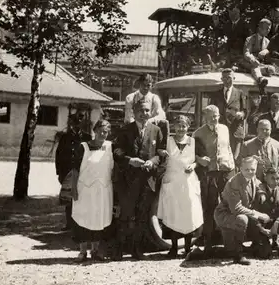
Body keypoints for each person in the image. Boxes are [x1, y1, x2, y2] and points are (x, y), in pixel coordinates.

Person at [112, 100, 164, 261]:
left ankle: (137, 250)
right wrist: (129, 160)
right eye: (140, 110)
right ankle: (119, 250)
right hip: (129, 179)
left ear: (151, 112)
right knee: (126, 214)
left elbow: (161, 154)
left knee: (142, 216)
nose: (144, 113)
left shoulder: (156, 130)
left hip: (148, 179)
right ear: (134, 112)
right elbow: (117, 152)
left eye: (147, 110)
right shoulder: (125, 130)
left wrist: (152, 161)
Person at [157, 115, 203, 259]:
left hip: (188, 181)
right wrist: (161, 153)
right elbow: (159, 155)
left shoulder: (193, 141)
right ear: (173, 127)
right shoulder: (168, 141)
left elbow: (198, 160)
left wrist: (193, 165)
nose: (180, 129)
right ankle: (174, 248)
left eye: (184, 126)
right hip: (172, 180)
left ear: (188, 127)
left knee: (188, 213)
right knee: (172, 213)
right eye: (178, 125)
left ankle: (188, 247)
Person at [193, 105, 236, 256]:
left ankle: (228, 242)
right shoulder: (198, 133)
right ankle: (208, 243)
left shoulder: (224, 129)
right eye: (212, 116)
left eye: (217, 115)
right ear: (205, 117)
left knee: (228, 206)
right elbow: (193, 154)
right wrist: (199, 159)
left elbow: (229, 148)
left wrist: (232, 167)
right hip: (209, 174)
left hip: (225, 172)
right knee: (210, 207)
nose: (215, 119)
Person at [70, 119, 114, 262]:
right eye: (100, 130)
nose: (103, 134)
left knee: (99, 219)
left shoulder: (110, 147)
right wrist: (74, 189)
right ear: (94, 131)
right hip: (85, 190)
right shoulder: (83, 147)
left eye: (106, 132)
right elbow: (75, 170)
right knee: (83, 219)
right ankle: (83, 252)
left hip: (103, 190)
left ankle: (96, 251)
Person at [214, 156, 270, 265]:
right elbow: (236, 208)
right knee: (242, 219)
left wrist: (261, 193)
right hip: (226, 214)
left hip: (242, 212)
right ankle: (238, 255)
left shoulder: (252, 177)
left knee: (265, 253)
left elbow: (259, 184)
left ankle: (254, 246)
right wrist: (257, 214)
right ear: (240, 169)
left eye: (253, 169)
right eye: (246, 169)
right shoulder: (234, 183)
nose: (250, 172)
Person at [55, 111, 92, 231]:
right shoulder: (65, 137)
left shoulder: (87, 137)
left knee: (82, 198)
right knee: (69, 199)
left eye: (79, 123)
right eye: (74, 123)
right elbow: (59, 155)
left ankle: (80, 223)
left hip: (82, 173)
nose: (76, 125)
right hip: (67, 173)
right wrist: (60, 173)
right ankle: (69, 223)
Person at [209, 68, 248, 157]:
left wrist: (241, 114)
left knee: (235, 159)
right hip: (219, 131)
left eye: (229, 77)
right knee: (221, 156)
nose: (227, 80)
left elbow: (245, 111)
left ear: (234, 78)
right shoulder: (216, 94)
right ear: (221, 79)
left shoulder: (240, 93)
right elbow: (211, 110)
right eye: (224, 78)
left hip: (235, 131)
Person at [243, 18, 275, 95]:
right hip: (249, 63)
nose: (268, 31)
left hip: (261, 65)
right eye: (266, 28)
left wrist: (267, 52)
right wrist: (252, 59)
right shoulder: (250, 39)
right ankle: (260, 80)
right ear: (259, 28)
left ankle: (257, 75)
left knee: (271, 69)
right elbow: (246, 53)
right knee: (255, 66)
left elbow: (270, 55)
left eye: (269, 29)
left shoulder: (267, 41)